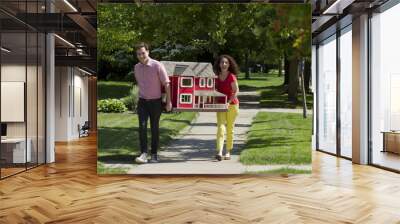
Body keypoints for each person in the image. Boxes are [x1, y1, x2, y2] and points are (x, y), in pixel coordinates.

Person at [134, 42, 172, 164]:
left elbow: (166, 83)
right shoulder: (136, 67)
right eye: (139, 54)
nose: (141, 56)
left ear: (148, 52)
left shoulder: (157, 65)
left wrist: (168, 102)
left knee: (154, 128)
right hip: (142, 102)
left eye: (143, 53)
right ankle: (144, 153)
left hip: (156, 102)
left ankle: (154, 154)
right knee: (142, 127)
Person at [214, 55, 240, 161]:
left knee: (230, 128)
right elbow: (214, 90)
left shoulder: (231, 76)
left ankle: (228, 151)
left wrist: (228, 102)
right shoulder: (216, 76)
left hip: (232, 105)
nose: (224, 64)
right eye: (222, 62)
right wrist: (215, 101)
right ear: (219, 64)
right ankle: (219, 151)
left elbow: (236, 91)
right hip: (220, 106)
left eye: (226, 63)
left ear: (229, 65)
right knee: (220, 128)